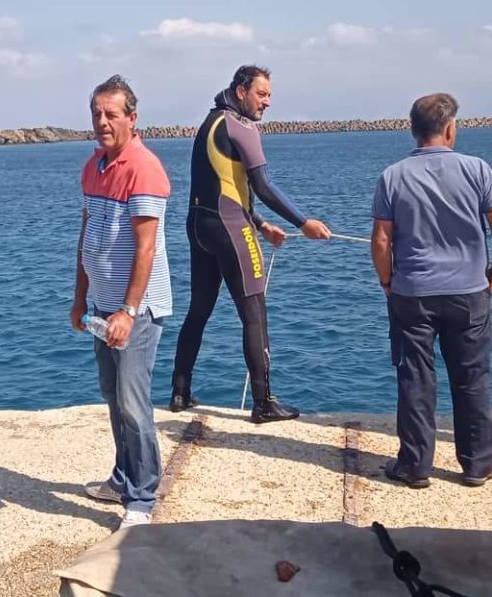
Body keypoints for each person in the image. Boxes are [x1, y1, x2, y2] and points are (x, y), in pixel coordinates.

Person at [170, 65, 332, 423]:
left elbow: (221, 185)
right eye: (261, 94)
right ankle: (263, 403)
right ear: (241, 91)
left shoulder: (210, 122)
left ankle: (180, 392)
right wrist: (303, 222)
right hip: (229, 228)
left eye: (270, 95)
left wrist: (260, 224)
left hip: (199, 226)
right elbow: (263, 186)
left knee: (199, 310)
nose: (267, 102)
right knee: (254, 312)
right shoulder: (240, 126)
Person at [371, 94, 492, 488]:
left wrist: (387, 281)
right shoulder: (477, 169)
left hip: (412, 292)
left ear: (413, 130)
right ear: (450, 128)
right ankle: (478, 464)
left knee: (415, 378)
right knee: (472, 377)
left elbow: (381, 240)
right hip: (469, 291)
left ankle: (415, 465)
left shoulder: (392, 176)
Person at [69, 74, 172, 529]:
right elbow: (87, 235)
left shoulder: (144, 168)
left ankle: (143, 497)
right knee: (113, 397)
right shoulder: (94, 166)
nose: (102, 122)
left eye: (111, 114)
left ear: (132, 118)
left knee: (133, 402)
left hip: (137, 311)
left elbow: (145, 249)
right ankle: (123, 477)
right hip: (102, 306)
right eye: (96, 114)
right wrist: (80, 299)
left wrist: (128, 311)